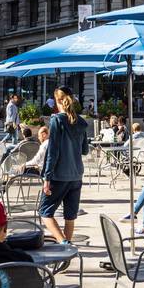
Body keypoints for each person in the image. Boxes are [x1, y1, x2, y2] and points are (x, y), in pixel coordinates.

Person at [40, 87, 89, 244]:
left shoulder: (57, 120)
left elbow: (52, 151)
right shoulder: (81, 122)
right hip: (76, 174)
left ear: (58, 101)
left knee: (45, 212)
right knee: (70, 216)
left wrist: (47, 177)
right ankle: (66, 253)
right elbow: (85, 150)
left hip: (59, 174)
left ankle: (64, 243)